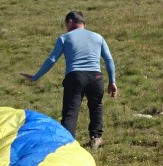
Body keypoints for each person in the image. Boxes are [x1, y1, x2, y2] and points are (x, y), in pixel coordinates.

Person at [22, 10, 118, 148]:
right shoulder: (98, 37)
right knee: (96, 106)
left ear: (70, 22)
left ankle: (67, 144)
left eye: (66, 25)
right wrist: (112, 81)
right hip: (96, 76)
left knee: (70, 111)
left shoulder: (65, 37)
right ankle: (96, 138)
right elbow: (108, 59)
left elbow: (52, 59)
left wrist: (36, 76)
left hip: (75, 76)